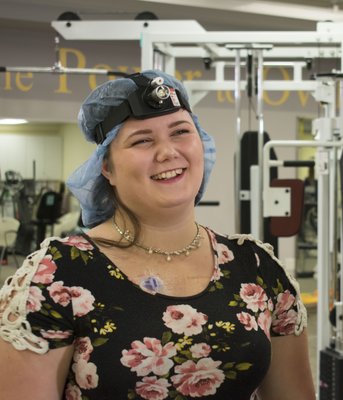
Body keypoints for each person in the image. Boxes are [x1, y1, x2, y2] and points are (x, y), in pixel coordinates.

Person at [0, 70, 315, 399]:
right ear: (106, 168)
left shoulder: (256, 267)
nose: (167, 152)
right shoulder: (55, 278)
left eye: (181, 132)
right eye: (142, 140)